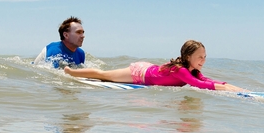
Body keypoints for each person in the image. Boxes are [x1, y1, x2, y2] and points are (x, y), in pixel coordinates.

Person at [63, 40, 245, 92]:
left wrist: (227, 85)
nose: (203, 61)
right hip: (139, 74)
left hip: (149, 71)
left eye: (205, 57)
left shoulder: (193, 69)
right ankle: (71, 71)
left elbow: (205, 80)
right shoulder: (181, 70)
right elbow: (197, 84)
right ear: (188, 56)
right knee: (104, 75)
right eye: (199, 57)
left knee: (104, 75)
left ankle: (74, 71)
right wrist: (223, 87)